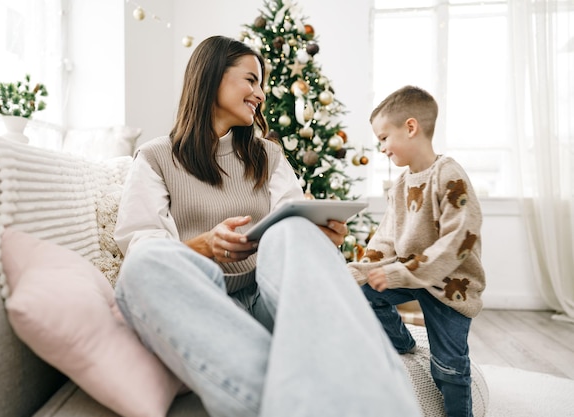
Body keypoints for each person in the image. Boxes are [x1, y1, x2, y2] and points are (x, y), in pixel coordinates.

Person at [113, 35, 421, 417]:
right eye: (251, 79)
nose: (261, 93)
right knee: (143, 265)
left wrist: (321, 235)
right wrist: (206, 246)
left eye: (262, 83)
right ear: (211, 78)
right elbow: (141, 242)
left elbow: (295, 221)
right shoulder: (156, 157)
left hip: (266, 301)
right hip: (201, 308)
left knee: (290, 230)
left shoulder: (267, 156)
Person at [348, 85, 486, 417]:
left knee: (449, 368)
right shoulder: (399, 187)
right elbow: (385, 241)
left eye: (383, 138)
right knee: (364, 291)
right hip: (411, 275)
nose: (380, 148)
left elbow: (458, 243)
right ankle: (404, 345)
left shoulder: (449, 176)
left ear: (411, 128)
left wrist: (401, 272)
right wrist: (359, 270)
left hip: (452, 288)